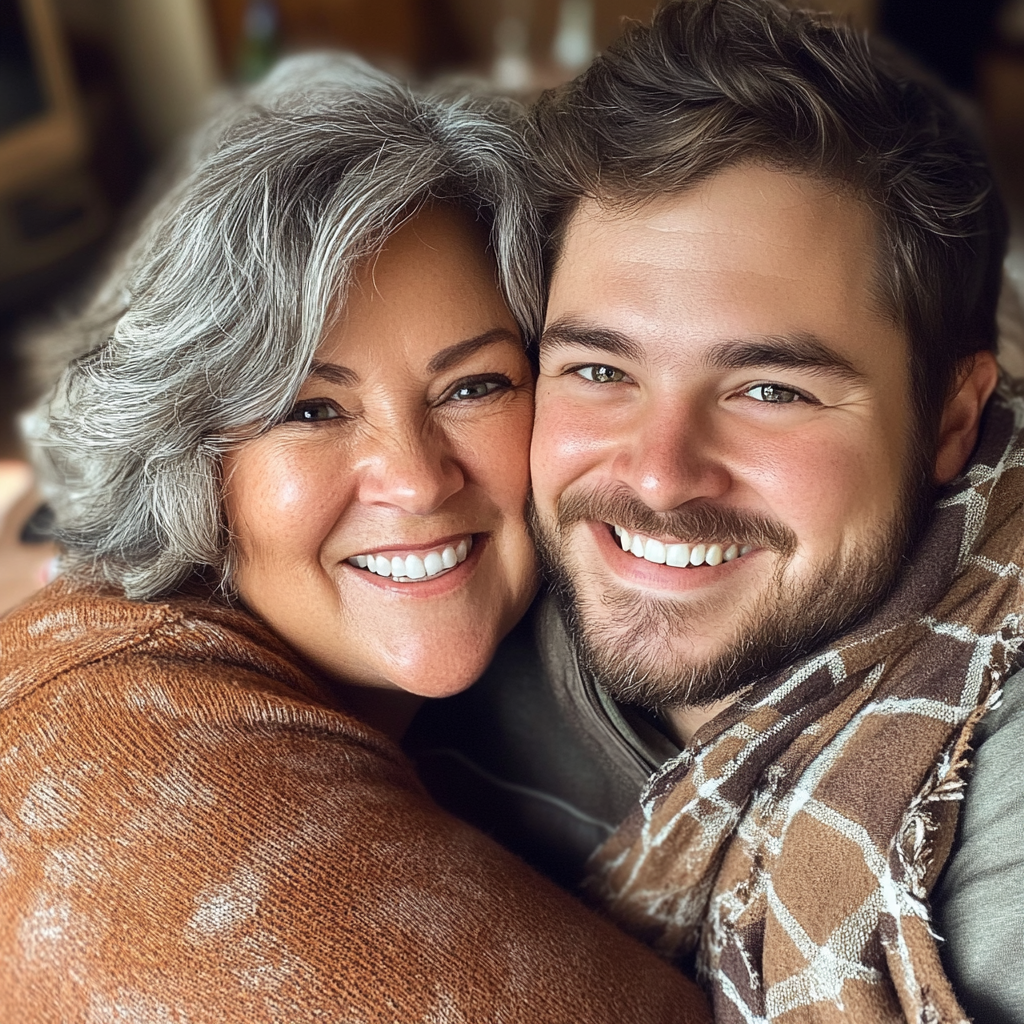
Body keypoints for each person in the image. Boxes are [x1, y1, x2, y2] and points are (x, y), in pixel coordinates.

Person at [0, 55, 711, 1023]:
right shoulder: (145, 772)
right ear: (192, 458)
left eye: (474, 387)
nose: (416, 476)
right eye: (310, 409)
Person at [405, 2, 1024, 1021]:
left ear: (952, 419)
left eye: (769, 390)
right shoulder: (446, 611)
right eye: (600, 369)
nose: (658, 475)